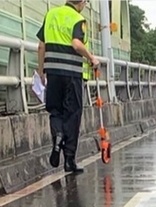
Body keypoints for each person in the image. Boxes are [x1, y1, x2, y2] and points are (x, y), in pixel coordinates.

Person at [37, 0, 99, 175]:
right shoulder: (78, 19)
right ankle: (69, 160)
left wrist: (41, 72)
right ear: (81, 2)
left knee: (55, 111)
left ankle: (57, 135)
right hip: (72, 75)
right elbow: (76, 44)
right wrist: (91, 58)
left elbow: (41, 46)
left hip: (53, 74)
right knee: (72, 114)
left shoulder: (50, 15)